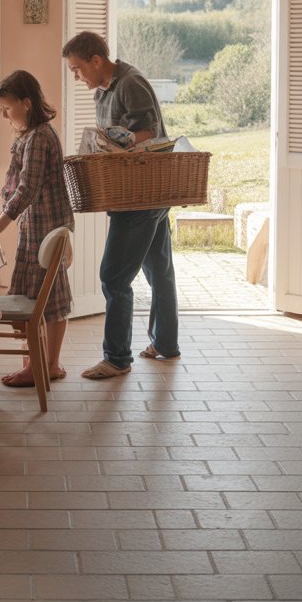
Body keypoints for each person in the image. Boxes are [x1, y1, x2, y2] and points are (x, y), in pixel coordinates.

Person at [62, 31, 180, 379]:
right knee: (159, 272)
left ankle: (116, 358)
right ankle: (165, 344)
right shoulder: (106, 88)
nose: (76, 76)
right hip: (149, 191)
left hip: (141, 195)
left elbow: (150, 132)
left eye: (77, 68)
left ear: (96, 60)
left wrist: (113, 144)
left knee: (112, 277)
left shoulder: (130, 82)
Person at [0, 70, 75, 387]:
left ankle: (38, 366)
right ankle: (49, 364)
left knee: (38, 299)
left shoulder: (37, 138)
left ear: (26, 102)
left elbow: (27, 190)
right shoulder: (40, 133)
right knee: (52, 299)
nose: (4, 115)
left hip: (40, 228)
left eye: (7, 107)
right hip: (46, 224)